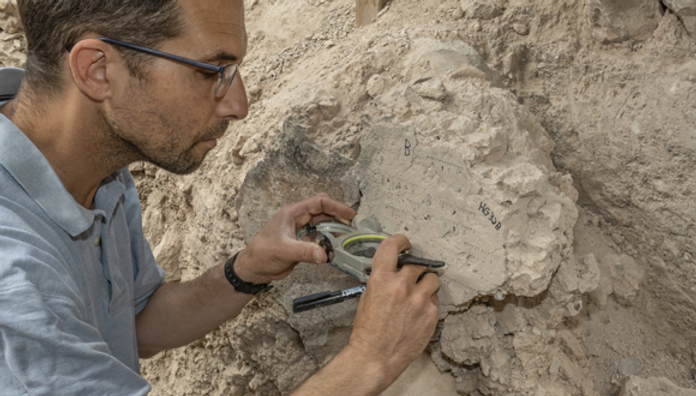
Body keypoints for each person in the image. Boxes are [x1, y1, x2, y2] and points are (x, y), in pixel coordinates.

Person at [0, 1, 440, 395]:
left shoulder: (98, 168)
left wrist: (246, 269)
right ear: (98, 70)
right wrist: (368, 361)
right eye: (214, 71)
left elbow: (135, 325)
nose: (239, 104)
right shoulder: (16, 284)